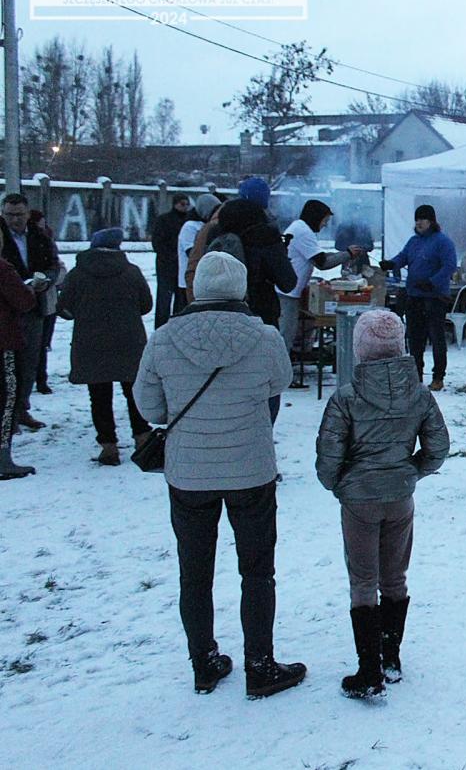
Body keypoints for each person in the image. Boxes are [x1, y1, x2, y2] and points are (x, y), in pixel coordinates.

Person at [134, 251, 305, 697]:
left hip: (189, 473)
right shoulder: (265, 337)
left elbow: (149, 406)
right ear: (241, 288)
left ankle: (204, 663)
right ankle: (260, 665)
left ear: (196, 289)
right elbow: (278, 383)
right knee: (257, 571)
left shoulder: (164, 338)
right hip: (250, 468)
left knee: (194, 572)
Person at [315, 309, 450, 699]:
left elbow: (328, 456)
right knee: (395, 577)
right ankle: (391, 657)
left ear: (359, 349)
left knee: (363, 580)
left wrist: (340, 484)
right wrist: (410, 473)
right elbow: (438, 447)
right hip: (399, 496)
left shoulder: (347, 397)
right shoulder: (419, 394)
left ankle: (368, 669)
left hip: (359, 499)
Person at [58, 228, 153, 465]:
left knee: (99, 396)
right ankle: (142, 436)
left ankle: (108, 445)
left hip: (91, 343)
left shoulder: (78, 274)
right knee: (133, 392)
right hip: (128, 342)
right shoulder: (131, 272)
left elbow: (64, 309)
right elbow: (146, 305)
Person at [381, 205, 457, 391]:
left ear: (431, 221)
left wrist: (433, 282)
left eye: (423, 219)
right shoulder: (414, 241)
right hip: (414, 296)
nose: (419, 223)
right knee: (415, 339)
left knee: (436, 337)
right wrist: (391, 264)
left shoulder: (443, 242)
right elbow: (403, 257)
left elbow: (449, 266)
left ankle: (438, 376)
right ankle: (416, 375)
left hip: (435, 298)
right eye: (417, 219)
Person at [1, 193, 57, 431]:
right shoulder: (1, 237)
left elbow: (53, 264)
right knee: (7, 367)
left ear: (27, 213)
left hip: (34, 307)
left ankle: (21, 408)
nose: (14, 219)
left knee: (29, 362)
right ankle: (7, 416)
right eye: (9, 215)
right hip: (6, 311)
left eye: (19, 214)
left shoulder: (39, 236)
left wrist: (46, 280)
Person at [277, 199, 359, 358]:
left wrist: (342, 254)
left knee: (286, 333)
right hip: (287, 293)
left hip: (287, 289)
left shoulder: (299, 227)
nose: (325, 225)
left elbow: (318, 256)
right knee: (285, 335)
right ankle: (280, 370)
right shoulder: (304, 232)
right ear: (315, 217)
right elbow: (322, 263)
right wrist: (347, 254)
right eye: (324, 220)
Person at [210, 197, 297, 328]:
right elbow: (288, 283)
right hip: (260, 314)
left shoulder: (215, 236)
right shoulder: (266, 238)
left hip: (220, 314)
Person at [0, 223, 36, 478]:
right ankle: (3, 458)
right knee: (7, 398)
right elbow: (24, 301)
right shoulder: (3, 269)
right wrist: (31, 289)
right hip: (5, 343)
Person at [27, 209, 63, 394]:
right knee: (37, 343)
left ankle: (40, 379)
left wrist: (50, 279)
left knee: (42, 342)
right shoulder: (39, 240)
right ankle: (38, 380)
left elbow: (55, 266)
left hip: (47, 297)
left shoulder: (45, 239)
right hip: (40, 298)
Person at [152, 194, 191, 327]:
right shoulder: (164, 220)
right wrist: (171, 257)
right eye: (182, 204)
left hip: (181, 266)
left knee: (180, 301)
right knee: (164, 301)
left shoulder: (188, 221)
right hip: (166, 266)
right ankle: (161, 327)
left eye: (187, 204)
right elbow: (158, 243)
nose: (185, 207)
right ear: (175, 204)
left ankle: (176, 326)